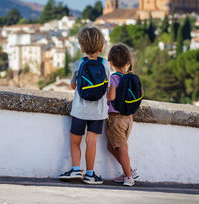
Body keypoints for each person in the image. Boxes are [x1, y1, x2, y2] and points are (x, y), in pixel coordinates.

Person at [58, 27, 110, 185]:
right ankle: (90, 174)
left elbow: (74, 86)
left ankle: (75, 169)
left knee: (75, 140)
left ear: (81, 47)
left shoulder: (78, 64)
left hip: (80, 110)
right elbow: (107, 87)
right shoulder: (105, 64)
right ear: (101, 48)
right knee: (91, 141)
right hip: (98, 111)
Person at [106, 44, 139, 187]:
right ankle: (130, 171)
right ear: (128, 62)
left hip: (116, 118)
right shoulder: (130, 77)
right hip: (128, 118)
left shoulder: (114, 77)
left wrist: (105, 94)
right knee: (111, 146)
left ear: (110, 63)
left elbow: (112, 97)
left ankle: (128, 176)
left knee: (122, 148)